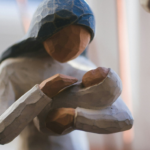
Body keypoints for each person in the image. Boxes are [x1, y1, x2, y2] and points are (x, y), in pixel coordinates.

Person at [0, 0, 133, 150]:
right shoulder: (12, 70)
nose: (72, 50)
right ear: (44, 31)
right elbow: (2, 133)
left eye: (80, 42)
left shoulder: (84, 67)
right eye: (63, 38)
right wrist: (41, 92)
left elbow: (125, 118)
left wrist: (74, 118)